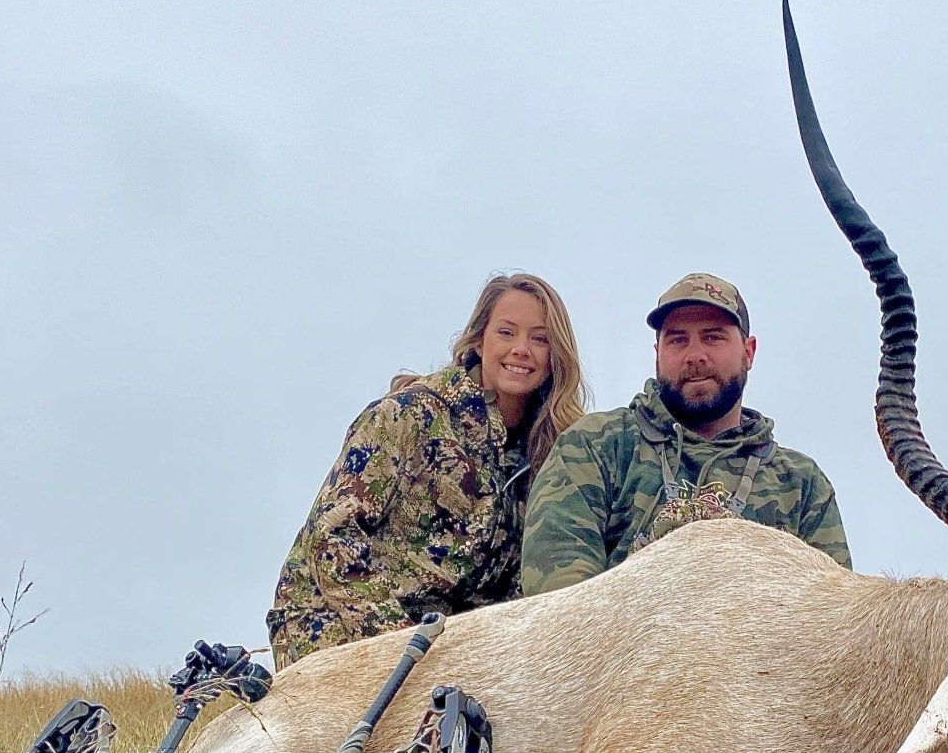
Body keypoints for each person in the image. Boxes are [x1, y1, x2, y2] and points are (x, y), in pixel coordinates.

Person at [267, 274, 589, 667]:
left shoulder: (550, 455)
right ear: (479, 339)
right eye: (507, 332)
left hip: (442, 646)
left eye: (540, 339)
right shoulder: (410, 415)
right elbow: (331, 537)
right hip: (336, 621)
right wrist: (405, 645)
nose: (522, 350)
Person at [521, 273, 848, 596]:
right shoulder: (595, 445)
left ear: (749, 352)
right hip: (619, 646)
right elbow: (560, 598)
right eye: (677, 339)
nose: (695, 355)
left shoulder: (801, 484)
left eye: (713, 337)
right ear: (657, 353)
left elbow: (833, 617)